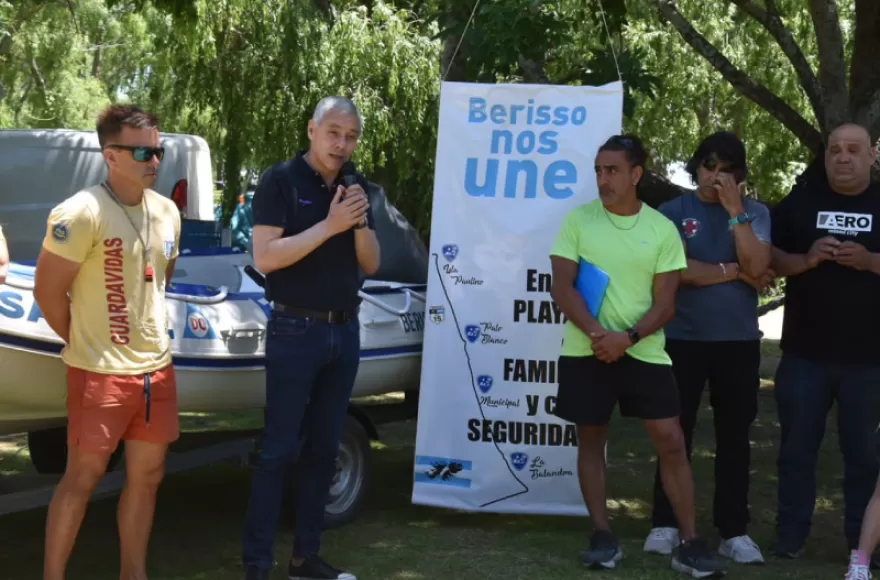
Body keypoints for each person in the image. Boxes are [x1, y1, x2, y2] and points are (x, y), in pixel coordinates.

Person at [549, 134, 727, 577]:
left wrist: (625, 338)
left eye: (612, 170)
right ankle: (602, 535)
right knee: (591, 439)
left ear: (635, 175)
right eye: (598, 170)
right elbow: (561, 288)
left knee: (671, 440)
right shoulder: (577, 222)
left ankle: (689, 542)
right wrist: (598, 334)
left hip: (642, 351)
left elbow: (666, 303)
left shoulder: (660, 228)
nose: (603, 179)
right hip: (587, 348)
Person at [35, 104, 181, 580]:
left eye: (158, 150)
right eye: (142, 151)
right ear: (110, 155)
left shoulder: (167, 212)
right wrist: (86, 343)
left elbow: (160, 282)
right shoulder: (81, 212)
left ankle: (132, 574)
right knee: (83, 477)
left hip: (155, 372)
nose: (154, 160)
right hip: (99, 374)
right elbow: (47, 292)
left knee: (148, 477)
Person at [241, 96, 380, 580]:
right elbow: (266, 257)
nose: (342, 144)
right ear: (312, 130)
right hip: (295, 328)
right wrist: (330, 225)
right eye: (334, 132)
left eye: (351, 136)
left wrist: (358, 221)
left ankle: (305, 558)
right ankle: (257, 565)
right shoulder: (280, 180)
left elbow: (372, 263)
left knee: (324, 448)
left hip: (344, 331)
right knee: (279, 450)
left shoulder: (354, 184)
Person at [644, 132, 772, 564]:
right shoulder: (671, 212)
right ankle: (665, 523)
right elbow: (678, 272)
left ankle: (733, 531)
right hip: (680, 340)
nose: (714, 176)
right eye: (708, 165)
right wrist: (735, 271)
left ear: (739, 176)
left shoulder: (756, 213)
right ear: (696, 165)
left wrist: (736, 213)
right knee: (672, 434)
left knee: (734, 438)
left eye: (725, 170)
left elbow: (761, 266)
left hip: (737, 343)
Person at [769, 123, 880, 564]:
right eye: (835, 149)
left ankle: (863, 544)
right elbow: (766, 259)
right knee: (796, 451)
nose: (843, 157)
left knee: (866, 458)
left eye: (854, 149)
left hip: (871, 360)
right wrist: (807, 258)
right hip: (804, 356)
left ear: (872, 156)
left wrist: (871, 261)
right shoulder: (801, 202)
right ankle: (790, 537)